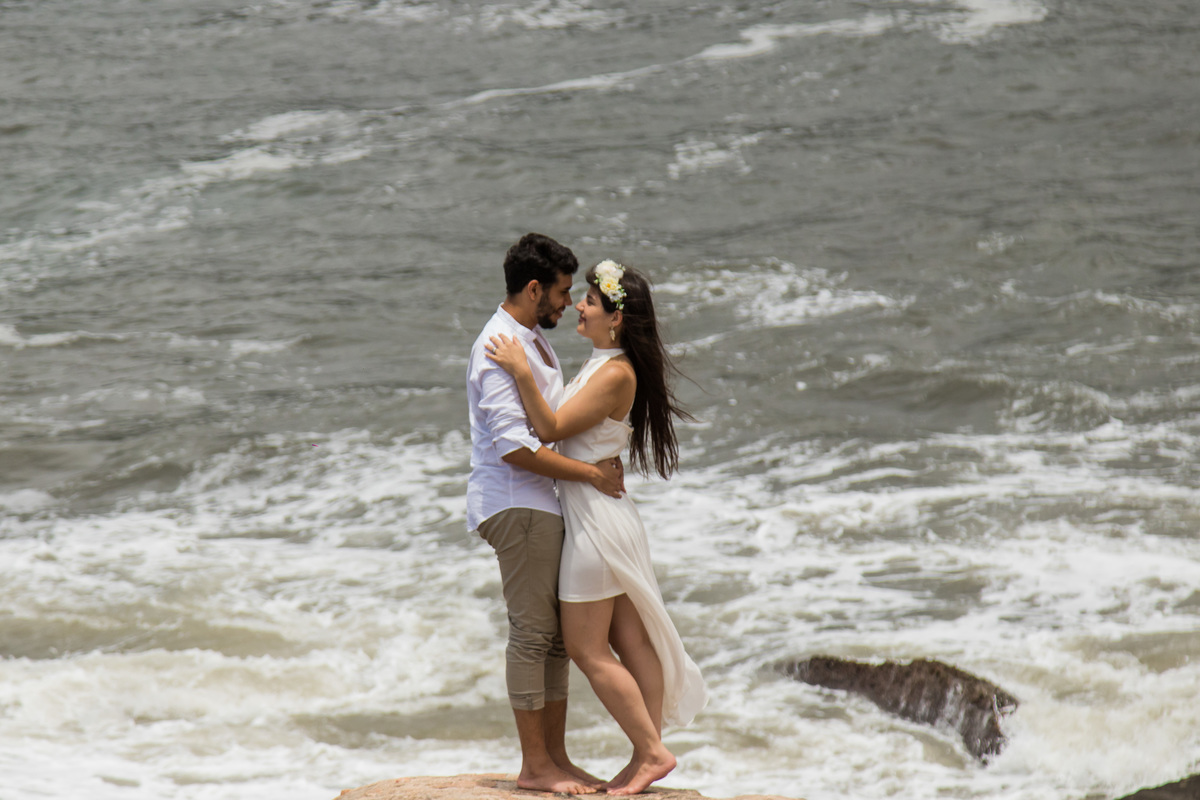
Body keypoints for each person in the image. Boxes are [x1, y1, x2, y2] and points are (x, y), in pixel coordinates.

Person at [486, 258, 708, 796]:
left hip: (595, 525)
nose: (579, 307)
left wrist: (519, 369)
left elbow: (551, 426)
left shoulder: (613, 372)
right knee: (630, 640)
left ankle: (652, 752)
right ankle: (643, 758)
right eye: (580, 298)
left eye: (589, 301)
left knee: (586, 650)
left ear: (616, 320)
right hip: (604, 514)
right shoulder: (607, 365)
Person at [466, 233, 626, 795]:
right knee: (534, 635)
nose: (567, 302)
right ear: (534, 289)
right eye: (560, 293)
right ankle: (536, 767)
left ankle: (555, 760)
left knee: (555, 639)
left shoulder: (529, 340)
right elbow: (514, 448)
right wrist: (591, 476)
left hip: (539, 503)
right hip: (517, 502)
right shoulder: (499, 346)